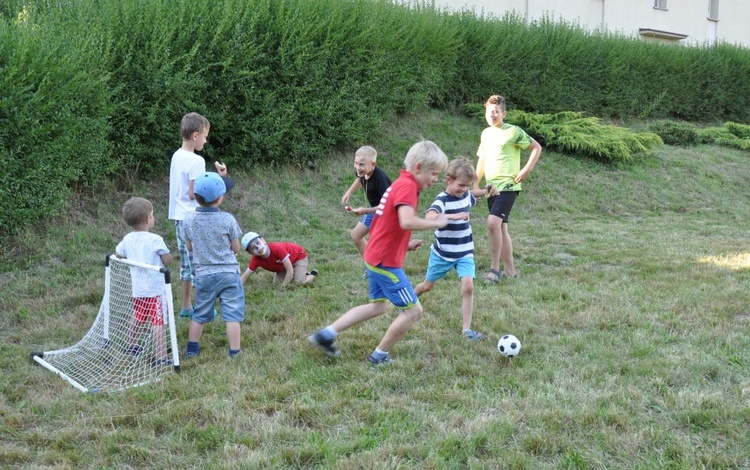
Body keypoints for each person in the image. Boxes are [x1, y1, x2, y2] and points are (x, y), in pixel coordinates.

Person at [308, 140, 467, 368]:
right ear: (419, 167)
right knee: (413, 311)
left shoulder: (401, 183)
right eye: (434, 174)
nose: (435, 180)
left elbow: (388, 224)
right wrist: (438, 221)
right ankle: (379, 355)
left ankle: (326, 334)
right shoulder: (407, 187)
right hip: (384, 262)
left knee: (378, 306)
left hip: (375, 255)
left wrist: (405, 245)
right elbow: (406, 220)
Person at [413, 158, 494, 341]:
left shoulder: (465, 195)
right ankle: (408, 300)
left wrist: (487, 191)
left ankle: (466, 330)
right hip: (443, 254)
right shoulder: (442, 200)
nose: (464, 189)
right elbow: (430, 216)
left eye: (467, 186)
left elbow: (473, 195)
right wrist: (455, 216)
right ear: (448, 179)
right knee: (427, 286)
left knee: (468, 286)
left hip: (464, 252)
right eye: (461, 185)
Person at [474, 94, 542, 283]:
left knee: (492, 223)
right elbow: (482, 159)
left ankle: (494, 270)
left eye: (496, 112)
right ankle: (510, 272)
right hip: (491, 188)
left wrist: (526, 170)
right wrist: (475, 183)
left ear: (504, 113)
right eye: (489, 112)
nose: (492, 115)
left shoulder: (513, 131)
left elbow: (536, 147)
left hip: (509, 185)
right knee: (501, 229)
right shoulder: (486, 134)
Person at [168, 112, 228, 319]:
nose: (206, 140)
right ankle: (203, 307)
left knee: (186, 263)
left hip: (178, 218)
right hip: (194, 219)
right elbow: (195, 194)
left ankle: (186, 306)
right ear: (195, 135)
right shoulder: (196, 160)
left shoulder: (177, 155)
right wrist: (220, 180)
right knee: (200, 264)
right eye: (205, 135)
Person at [183, 172, 244, 359]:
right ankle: (235, 351)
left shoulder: (189, 220)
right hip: (228, 273)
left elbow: (189, 246)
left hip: (203, 275)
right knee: (232, 314)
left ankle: (192, 348)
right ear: (219, 198)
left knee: (200, 312)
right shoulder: (227, 219)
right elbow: (236, 248)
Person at [115, 197, 174, 365]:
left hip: (138, 289)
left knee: (138, 316)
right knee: (158, 323)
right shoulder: (155, 239)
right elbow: (168, 260)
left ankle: (132, 345)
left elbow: (118, 253)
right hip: (155, 290)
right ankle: (161, 357)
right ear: (148, 219)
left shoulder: (127, 239)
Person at [341, 145, 392, 256]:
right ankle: (370, 266)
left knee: (378, 245)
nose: (357, 167)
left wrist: (364, 211)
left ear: (373, 164)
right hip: (372, 210)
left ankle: (377, 268)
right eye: (356, 163)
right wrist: (348, 192)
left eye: (361, 165)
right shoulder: (364, 172)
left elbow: (388, 205)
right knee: (356, 236)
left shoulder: (381, 179)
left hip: (386, 215)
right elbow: (360, 179)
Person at [239, 232, 318, 286]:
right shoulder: (256, 259)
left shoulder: (276, 249)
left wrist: (283, 288)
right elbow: (245, 276)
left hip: (298, 256)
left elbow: (289, 270)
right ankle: (301, 273)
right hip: (283, 265)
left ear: (263, 240)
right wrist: (235, 288)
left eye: (258, 243)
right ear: (251, 253)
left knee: (298, 282)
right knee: (277, 284)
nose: (258, 248)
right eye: (253, 248)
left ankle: (312, 275)